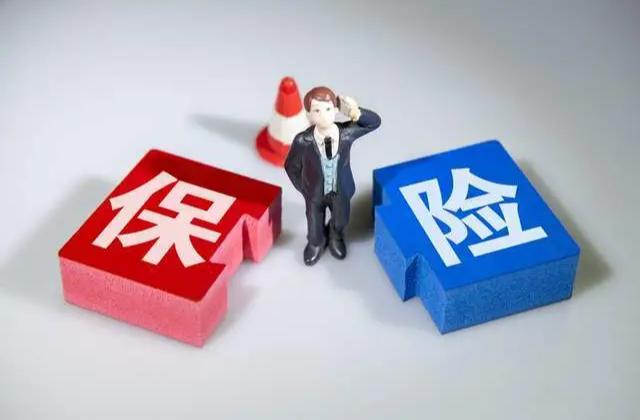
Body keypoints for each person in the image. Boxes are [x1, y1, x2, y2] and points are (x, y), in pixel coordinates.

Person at [284, 86, 381, 265]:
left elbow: (374, 123)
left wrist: (355, 112)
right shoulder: (303, 141)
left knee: (341, 219)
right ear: (309, 114)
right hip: (314, 194)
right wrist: (304, 188)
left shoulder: (346, 133)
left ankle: (336, 237)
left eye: (328, 109)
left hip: (340, 191)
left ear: (336, 110)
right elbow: (291, 167)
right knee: (314, 222)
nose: (323, 115)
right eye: (317, 110)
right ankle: (315, 243)